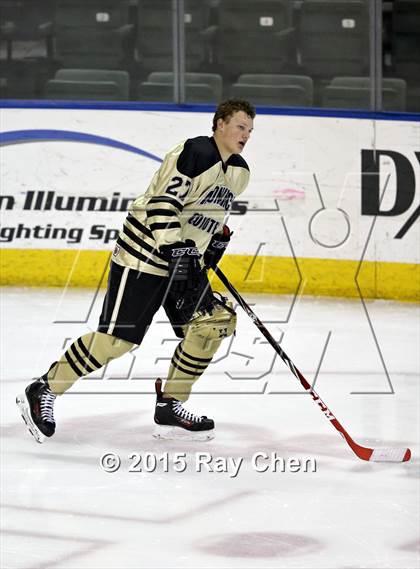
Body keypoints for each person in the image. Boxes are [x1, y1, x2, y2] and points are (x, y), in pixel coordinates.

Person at [16, 98, 255, 443]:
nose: (245, 135)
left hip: (183, 264)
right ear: (220, 124)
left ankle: (170, 403)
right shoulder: (195, 153)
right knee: (117, 341)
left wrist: (215, 242)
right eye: (240, 126)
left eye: (249, 130)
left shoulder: (240, 172)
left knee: (210, 326)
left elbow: (208, 215)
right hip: (143, 256)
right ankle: (45, 388)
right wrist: (175, 248)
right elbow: (163, 203)